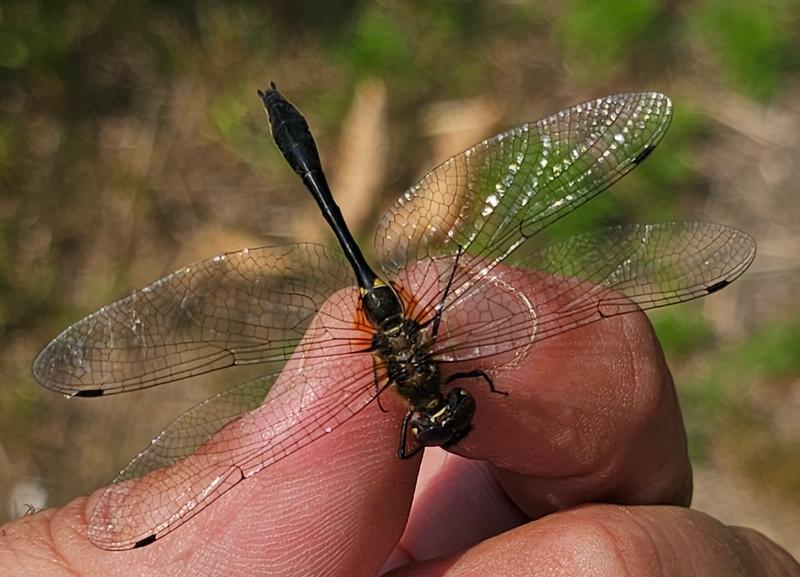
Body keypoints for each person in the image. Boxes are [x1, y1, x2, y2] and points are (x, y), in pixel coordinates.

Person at [2, 274, 798, 576]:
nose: (445, 419)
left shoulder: (432, 375)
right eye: (439, 415)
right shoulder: (389, 380)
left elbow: (461, 392)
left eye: (440, 417)